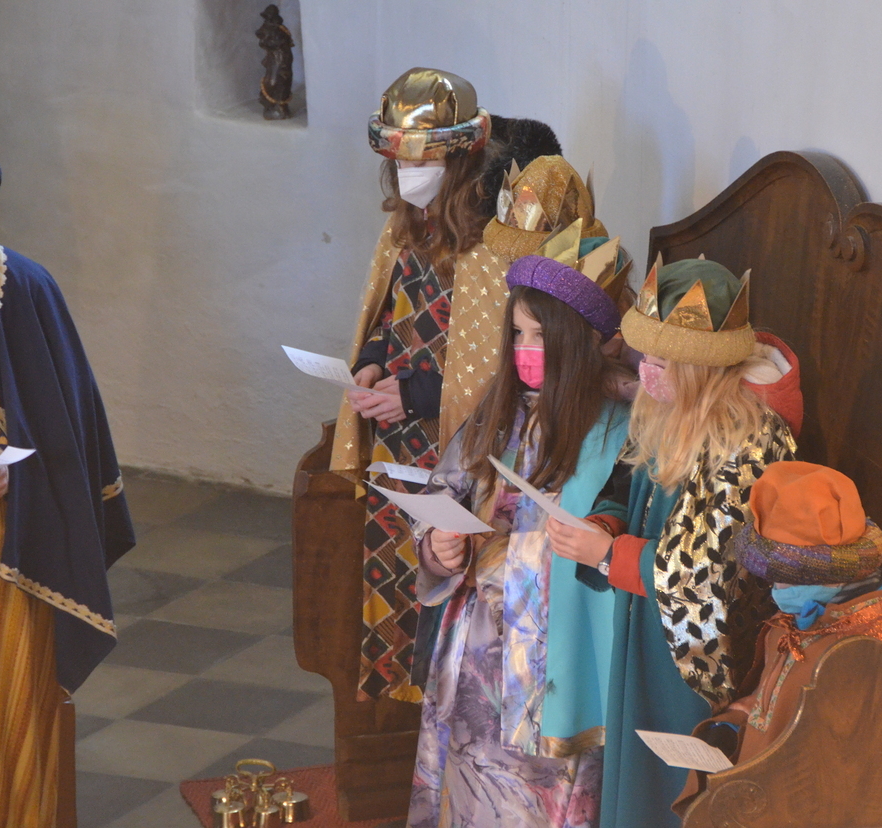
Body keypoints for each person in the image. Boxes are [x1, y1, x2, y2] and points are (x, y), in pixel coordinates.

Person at [327, 67, 603, 704]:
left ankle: (451, 708)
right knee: (400, 574)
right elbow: (389, 305)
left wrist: (415, 394)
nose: (407, 176)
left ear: (461, 157)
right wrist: (372, 360)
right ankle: (396, 725)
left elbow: (502, 359)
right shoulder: (408, 223)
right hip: (397, 434)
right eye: (397, 163)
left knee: (451, 581)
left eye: (421, 162)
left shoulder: (495, 235)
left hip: (455, 442)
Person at [0, 87, 133, 826]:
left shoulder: (28, 285)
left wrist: (10, 465)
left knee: (9, 698)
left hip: (5, 537)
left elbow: (68, 427)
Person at [546, 257, 798, 828]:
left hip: (693, 656)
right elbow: (624, 483)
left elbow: (712, 573)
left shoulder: (751, 436)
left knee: (673, 787)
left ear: (701, 366)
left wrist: (610, 556)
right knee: (638, 766)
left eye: (663, 362)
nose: (647, 371)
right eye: (647, 357)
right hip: (643, 621)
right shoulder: (666, 408)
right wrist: (604, 525)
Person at [408, 224, 632, 827]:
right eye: (517, 334)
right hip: (477, 640)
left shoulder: (620, 425)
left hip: (556, 646)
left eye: (540, 336)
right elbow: (443, 491)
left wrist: (600, 535)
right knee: (471, 782)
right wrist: (439, 544)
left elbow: (622, 520)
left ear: (583, 342)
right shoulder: (497, 409)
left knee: (536, 800)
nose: (525, 349)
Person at [674, 461, 882, 814]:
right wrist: (740, 716)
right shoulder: (798, 620)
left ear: (827, 574)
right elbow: (778, 699)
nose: (775, 589)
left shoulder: (881, 646)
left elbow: (875, 774)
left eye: (785, 577)